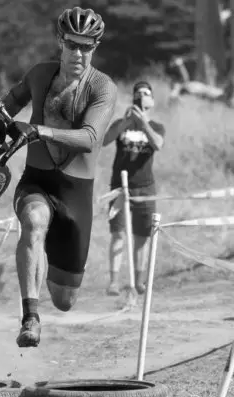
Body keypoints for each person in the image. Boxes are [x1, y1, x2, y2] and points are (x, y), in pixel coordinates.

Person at [0, 6, 118, 348]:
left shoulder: (102, 87)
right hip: (38, 180)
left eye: (87, 47)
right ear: (60, 41)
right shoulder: (40, 74)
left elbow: (90, 138)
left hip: (76, 194)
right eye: (73, 44)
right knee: (33, 222)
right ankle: (30, 317)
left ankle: (41, 265)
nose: (79, 53)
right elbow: (6, 105)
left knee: (65, 300)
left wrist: (39, 130)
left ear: (95, 47)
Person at [102, 80, 165, 296]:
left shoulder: (157, 126)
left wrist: (143, 123)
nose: (141, 96)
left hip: (145, 188)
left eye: (146, 93)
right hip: (120, 187)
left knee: (142, 236)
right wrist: (126, 122)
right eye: (137, 93)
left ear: (152, 100)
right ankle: (114, 281)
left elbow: (158, 144)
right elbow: (104, 141)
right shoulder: (122, 123)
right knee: (118, 233)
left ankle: (139, 281)